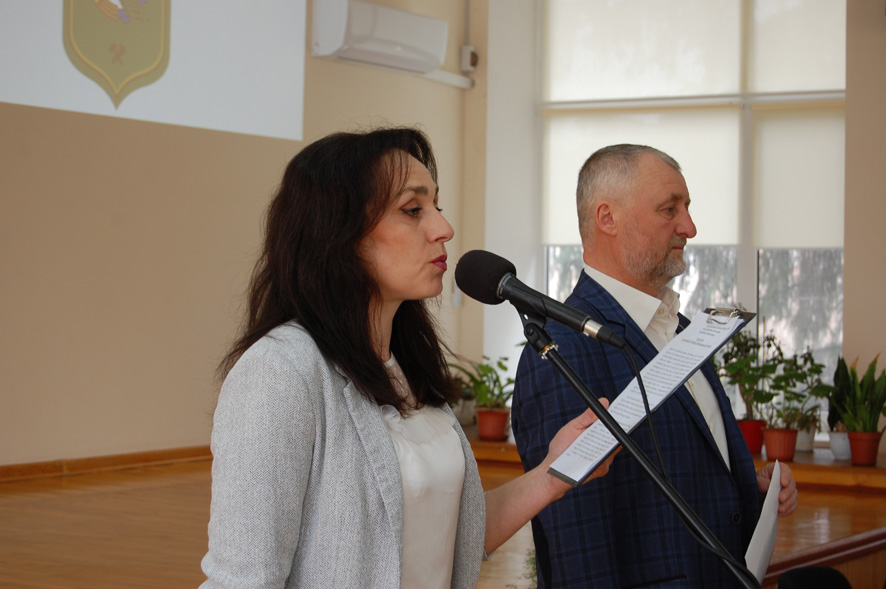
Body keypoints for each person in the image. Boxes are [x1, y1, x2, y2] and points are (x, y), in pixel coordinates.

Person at [199, 127, 614, 588]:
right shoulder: (279, 373)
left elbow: (449, 539)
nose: (443, 229)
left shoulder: (406, 368)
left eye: (437, 206)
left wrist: (553, 475)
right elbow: (243, 579)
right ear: (338, 233)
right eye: (412, 210)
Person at [512, 144, 798, 588]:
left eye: (687, 208)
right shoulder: (562, 349)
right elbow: (578, 545)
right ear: (608, 218)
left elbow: (676, 471)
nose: (690, 227)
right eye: (670, 209)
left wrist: (744, 487)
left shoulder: (680, 328)